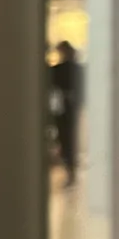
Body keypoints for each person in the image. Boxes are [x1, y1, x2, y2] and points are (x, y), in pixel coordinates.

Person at [50, 41, 82, 187]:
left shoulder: (64, 69)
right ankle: (70, 171)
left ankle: (71, 172)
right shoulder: (75, 69)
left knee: (67, 141)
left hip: (65, 111)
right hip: (67, 110)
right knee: (67, 141)